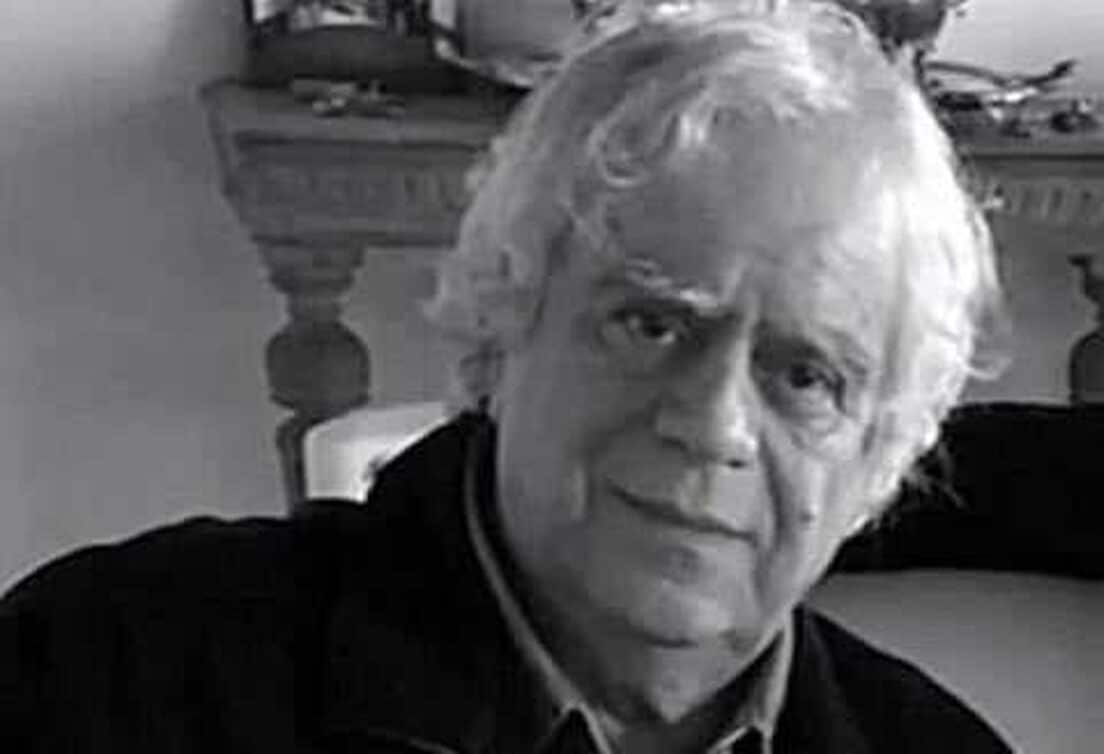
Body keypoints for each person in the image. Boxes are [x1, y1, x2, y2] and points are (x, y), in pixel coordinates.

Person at [0, 1, 1011, 751]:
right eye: (651, 323)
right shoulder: (115, 671)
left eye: (806, 376)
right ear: (501, 322)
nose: (713, 425)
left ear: (881, 458)